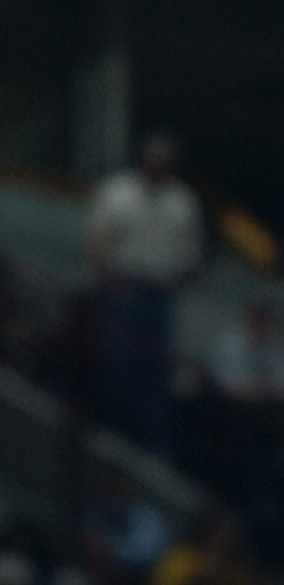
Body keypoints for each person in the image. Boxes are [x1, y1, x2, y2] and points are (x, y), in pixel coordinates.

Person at [83, 132, 205, 454]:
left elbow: (193, 256)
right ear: (143, 160)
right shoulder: (118, 191)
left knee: (156, 373)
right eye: (154, 161)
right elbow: (97, 241)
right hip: (122, 287)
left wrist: (174, 281)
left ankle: (153, 448)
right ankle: (112, 437)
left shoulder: (183, 201)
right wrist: (107, 282)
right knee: (117, 365)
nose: (158, 168)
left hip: (159, 293)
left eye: (164, 163)